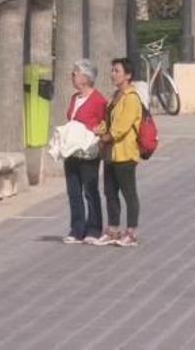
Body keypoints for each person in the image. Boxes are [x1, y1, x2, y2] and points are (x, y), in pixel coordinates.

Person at [93, 58, 143, 248]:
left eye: (117, 71)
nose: (113, 74)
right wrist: (100, 129)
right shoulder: (116, 96)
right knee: (110, 191)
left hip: (125, 152)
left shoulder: (131, 98)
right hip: (110, 153)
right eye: (112, 70)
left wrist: (106, 137)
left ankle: (131, 232)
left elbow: (121, 127)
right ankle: (113, 229)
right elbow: (110, 120)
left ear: (128, 75)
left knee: (128, 192)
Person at [62, 60, 108, 244]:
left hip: (88, 150)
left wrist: (97, 129)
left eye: (74, 74)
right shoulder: (74, 98)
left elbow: (105, 123)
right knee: (73, 190)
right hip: (72, 150)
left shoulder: (98, 100)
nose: (72, 77)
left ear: (85, 78)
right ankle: (77, 228)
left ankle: (94, 228)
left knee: (90, 190)